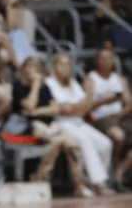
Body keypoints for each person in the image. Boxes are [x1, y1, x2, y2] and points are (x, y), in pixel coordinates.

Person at [12, 57, 85, 196]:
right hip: (27, 126)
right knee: (56, 141)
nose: (30, 70)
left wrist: (36, 112)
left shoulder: (45, 87)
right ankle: (39, 178)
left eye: (34, 67)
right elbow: (29, 105)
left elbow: (55, 108)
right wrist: (35, 84)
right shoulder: (19, 86)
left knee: (71, 144)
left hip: (49, 126)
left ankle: (78, 184)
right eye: (27, 66)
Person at [45, 54, 114, 196]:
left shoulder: (73, 83)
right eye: (62, 64)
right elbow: (66, 110)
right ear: (54, 67)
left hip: (78, 122)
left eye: (68, 64)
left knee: (105, 143)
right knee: (85, 140)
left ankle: (91, 181)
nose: (66, 68)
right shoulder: (49, 83)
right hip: (61, 123)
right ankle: (99, 185)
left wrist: (78, 106)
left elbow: (84, 107)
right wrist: (82, 102)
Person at [82, 47, 132, 190]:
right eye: (103, 58)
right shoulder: (90, 79)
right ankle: (115, 162)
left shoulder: (120, 79)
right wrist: (103, 102)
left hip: (119, 117)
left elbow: (129, 103)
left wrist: (120, 114)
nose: (107, 61)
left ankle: (120, 170)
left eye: (110, 58)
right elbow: (84, 107)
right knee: (118, 136)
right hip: (99, 118)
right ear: (97, 61)